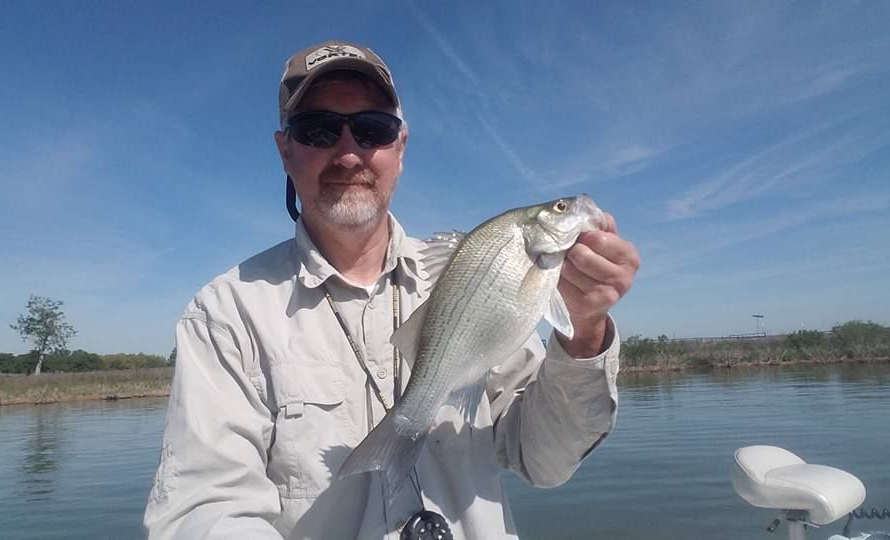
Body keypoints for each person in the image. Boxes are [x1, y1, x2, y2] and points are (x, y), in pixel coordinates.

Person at [144, 40, 640, 540]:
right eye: (318, 130)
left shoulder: (471, 278)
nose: (348, 152)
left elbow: (545, 461)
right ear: (285, 151)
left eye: (371, 130)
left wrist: (584, 334)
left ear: (399, 149)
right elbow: (203, 512)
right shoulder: (226, 315)